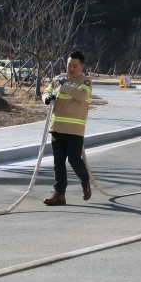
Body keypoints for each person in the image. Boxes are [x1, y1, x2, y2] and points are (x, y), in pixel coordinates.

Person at [41, 50, 93, 206]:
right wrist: (46, 98)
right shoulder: (58, 79)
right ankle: (59, 194)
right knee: (58, 162)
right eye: (69, 65)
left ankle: (85, 181)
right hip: (56, 127)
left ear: (82, 66)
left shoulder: (85, 81)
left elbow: (82, 95)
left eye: (75, 66)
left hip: (74, 129)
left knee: (74, 159)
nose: (71, 68)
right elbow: (46, 91)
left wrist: (64, 86)